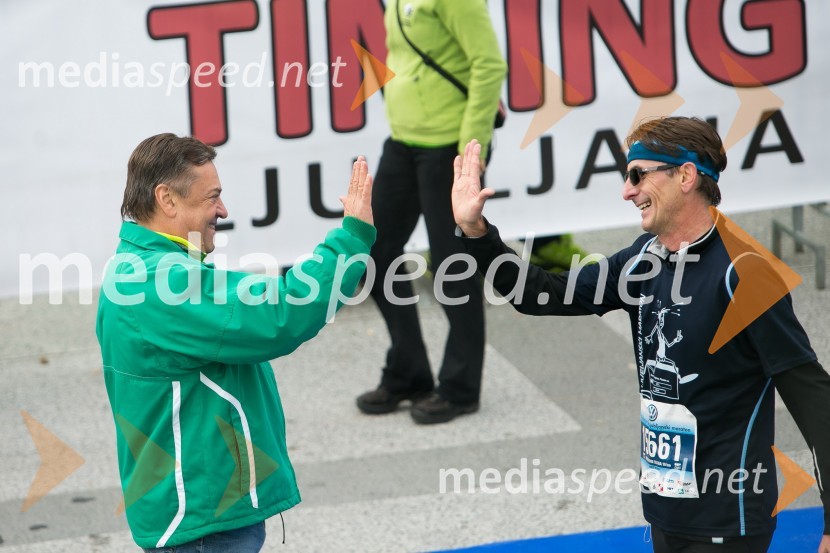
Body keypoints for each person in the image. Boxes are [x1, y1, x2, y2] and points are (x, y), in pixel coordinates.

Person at [451, 118, 830, 553]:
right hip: (664, 512)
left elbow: (811, 395)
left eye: (638, 175)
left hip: (729, 517)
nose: (626, 191)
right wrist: (477, 233)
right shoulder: (643, 259)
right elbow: (540, 294)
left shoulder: (743, 274)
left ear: (685, 176)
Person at [96, 133, 375, 552]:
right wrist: (352, 237)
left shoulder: (141, 269)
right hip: (204, 521)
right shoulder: (161, 282)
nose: (223, 210)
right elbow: (284, 311)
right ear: (167, 200)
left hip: (199, 510)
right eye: (212, 197)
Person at [356, 0, 507, 424]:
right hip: (404, 140)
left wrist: (471, 151)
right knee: (373, 249)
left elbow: (489, 64)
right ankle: (409, 371)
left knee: (451, 263)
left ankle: (460, 388)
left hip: (450, 148)